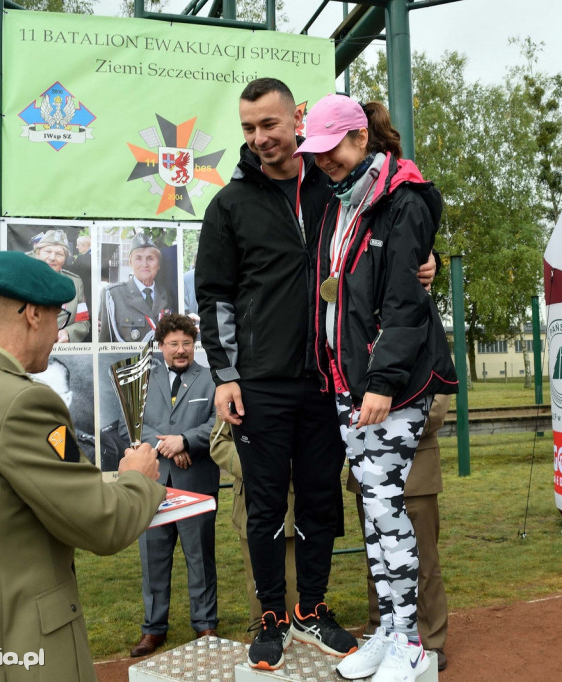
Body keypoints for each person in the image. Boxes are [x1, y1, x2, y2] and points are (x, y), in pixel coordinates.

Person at [0, 250, 166, 681]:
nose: (59, 337)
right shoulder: (23, 403)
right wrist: (138, 477)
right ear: (32, 315)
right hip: (18, 651)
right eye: (58, 320)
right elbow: (103, 523)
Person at [195, 77, 357, 671]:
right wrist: (227, 375)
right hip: (259, 383)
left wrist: (426, 261)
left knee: (319, 501)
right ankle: (271, 616)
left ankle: (311, 610)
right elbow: (213, 297)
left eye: (269, 124)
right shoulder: (229, 204)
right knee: (263, 508)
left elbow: (384, 243)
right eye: (248, 128)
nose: (259, 138)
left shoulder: (334, 189)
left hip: (326, 378)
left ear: (296, 121)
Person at [296, 93, 458, 682]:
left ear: (361, 139)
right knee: (375, 512)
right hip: (350, 381)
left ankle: (410, 643)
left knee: (388, 512)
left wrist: (384, 382)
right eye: (314, 153)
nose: (323, 163)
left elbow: (404, 304)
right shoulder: (345, 202)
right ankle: (388, 633)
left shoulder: (402, 201)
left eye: (330, 149)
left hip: (390, 387)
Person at [122, 314, 220, 657]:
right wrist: (168, 445)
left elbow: (219, 424)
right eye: (174, 344)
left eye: (187, 343)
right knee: (153, 559)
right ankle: (153, 629)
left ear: (195, 346)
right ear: (160, 346)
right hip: (153, 485)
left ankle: (206, 625)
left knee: (200, 556)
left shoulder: (211, 380)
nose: (181, 350)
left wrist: (186, 441)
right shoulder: (142, 381)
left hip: (196, 482)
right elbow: (131, 425)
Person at [346, 393, 451, 672]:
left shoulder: (426, 348)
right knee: (378, 560)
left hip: (416, 472)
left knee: (423, 560)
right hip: (369, 471)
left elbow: (436, 409)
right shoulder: (360, 349)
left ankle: (428, 640)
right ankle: (380, 629)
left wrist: (386, 424)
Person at [209, 415, 301, 623]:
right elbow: (218, 442)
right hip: (251, 503)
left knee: (298, 593)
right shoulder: (237, 387)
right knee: (261, 597)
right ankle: (265, 641)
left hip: (297, 503)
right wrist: (257, 465)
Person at [100, 232, 174, 343]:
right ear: (130, 262)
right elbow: (105, 344)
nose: (144, 264)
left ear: (158, 264)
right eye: (138, 258)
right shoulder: (113, 295)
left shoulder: (169, 294)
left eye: (150, 258)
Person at [32, 229, 90, 343]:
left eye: (59, 254)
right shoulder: (24, 280)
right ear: (38, 254)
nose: (52, 257)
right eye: (47, 251)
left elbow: (83, 322)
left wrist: (68, 333)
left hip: (62, 352)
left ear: (64, 259)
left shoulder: (75, 283)